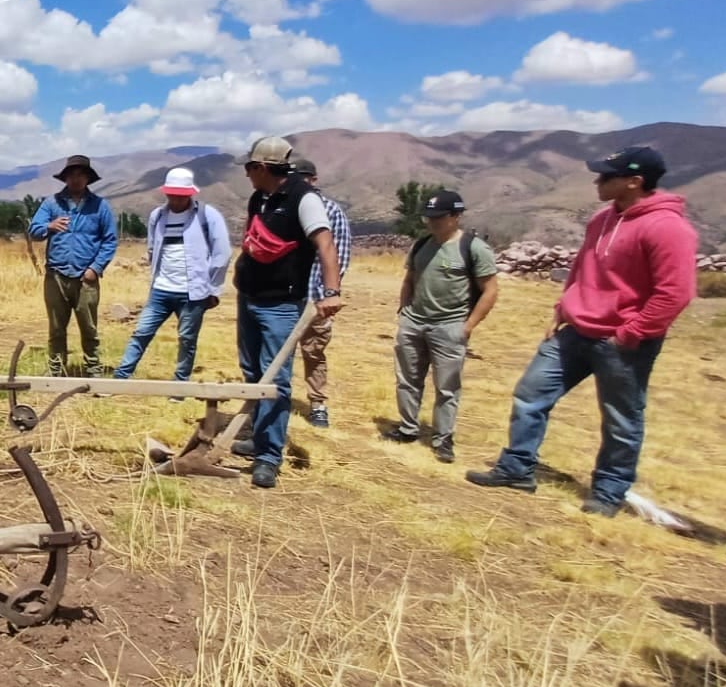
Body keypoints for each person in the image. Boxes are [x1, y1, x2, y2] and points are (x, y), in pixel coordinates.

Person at [466, 146, 698, 517]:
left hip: (623, 341)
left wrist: (632, 331)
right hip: (575, 329)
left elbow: (676, 292)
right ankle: (517, 467)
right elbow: (581, 268)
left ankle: (609, 491)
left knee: (621, 417)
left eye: (607, 176)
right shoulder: (600, 220)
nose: (597, 181)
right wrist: (563, 308)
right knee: (531, 393)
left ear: (634, 182)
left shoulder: (668, 228)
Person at [231, 136, 343, 489]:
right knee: (252, 372)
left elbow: (324, 242)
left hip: (280, 304)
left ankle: (268, 457)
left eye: (250, 167)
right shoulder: (258, 197)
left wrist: (332, 291)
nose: (247, 173)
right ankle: (257, 436)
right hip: (248, 296)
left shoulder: (303, 199)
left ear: (262, 168)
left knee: (275, 380)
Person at [379, 190, 498, 463]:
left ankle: (443, 439)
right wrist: (404, 310)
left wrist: (467, 327)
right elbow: (409, 279)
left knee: (447, 387)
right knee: (408, 380)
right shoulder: (422, 245)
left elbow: (490, 290)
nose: (432, 223)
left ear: (456, 216)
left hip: (449, 326)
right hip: (414, 322)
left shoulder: (473, 248)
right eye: (428, 217)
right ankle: (408, 428)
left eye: (439, 217)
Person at [111, 167, 232, 389]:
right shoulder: (158, 216)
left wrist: (213, 289)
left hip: (193, 292)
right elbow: (152, 248)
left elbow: (222, 254)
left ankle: (179, 386)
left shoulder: (207, 215)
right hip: (161, 289)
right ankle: (120, 379)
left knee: (187, 340)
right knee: (141, 333)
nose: (176, 198)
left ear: (190, 193)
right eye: (172, 193)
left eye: (181, 194)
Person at [28, 155, 119, 377]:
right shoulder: (52, 204)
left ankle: (93, 369)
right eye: (72, 175)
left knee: (89, 328)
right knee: (56, 328)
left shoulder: (100, 206)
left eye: (81, 175)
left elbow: (110, 240)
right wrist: (49, 226)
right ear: (65, 178)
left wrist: (95, 268)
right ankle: (57, 370)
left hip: (85, 277)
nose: (76, 179)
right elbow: (34, 231)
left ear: (88, 178)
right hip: (56, 276)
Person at [294, 159, 352, 428]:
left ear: (313, 180)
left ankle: (317, 404)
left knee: (314, 351)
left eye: (303, 178)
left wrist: (328, 293)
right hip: (283, 296)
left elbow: (338, 254)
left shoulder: (330, 211)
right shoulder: (285, 207)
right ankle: (272, 401)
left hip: (314, 297)